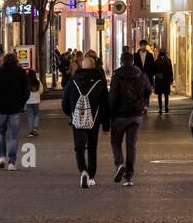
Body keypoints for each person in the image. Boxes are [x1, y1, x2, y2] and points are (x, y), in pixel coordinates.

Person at [62, 54, 108, 188]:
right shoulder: (100, 83)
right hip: (94, 120)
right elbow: (105, 106)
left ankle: (83, 171)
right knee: (92, 148)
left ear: (82, 66)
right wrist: (106, 125)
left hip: (78, 120)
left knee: (79, 148)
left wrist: (71, 113)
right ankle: (92, 177)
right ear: (95, 67)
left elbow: (64, 103)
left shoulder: (72, 82)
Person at [107, 51, 151, 186]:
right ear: (133, 61)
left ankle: (120, 164)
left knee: (116, 142)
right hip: (136, 115)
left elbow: (113, 97)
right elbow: (148, 90)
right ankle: (129, 175)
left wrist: (110, 114)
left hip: (120, 115)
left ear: (121, 61)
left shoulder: (117, 76)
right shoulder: (141, 75)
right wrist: (143, 104)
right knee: (131, 145)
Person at [0, 53, 29, 170]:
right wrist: (22, 103)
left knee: (1, 133)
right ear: (16, 60)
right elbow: (26, 91)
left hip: (1, 107)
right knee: (14, 136)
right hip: (15, 108)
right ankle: (12, 162)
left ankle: (1, 157)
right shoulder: (21, 73)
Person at [152, 49, 174, 115]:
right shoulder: (157, 61)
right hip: (159, 80)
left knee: (166, 94)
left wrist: (171, 79)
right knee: (160, 94)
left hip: (165, 79)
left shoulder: (168, 60)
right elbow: (154, 70)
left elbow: (170, 70)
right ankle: (160, 107)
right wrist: (156, 74)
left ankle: (166, 107)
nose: (162, 54)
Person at [24, 68, 43, 136]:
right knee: (36, 114)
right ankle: (35, 128)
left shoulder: (26, 83)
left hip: (28, 101)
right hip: (36, 101)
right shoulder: (38, 82)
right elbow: (41, 91)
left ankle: (31, 130)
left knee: (30, 115)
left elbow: (24, 92)